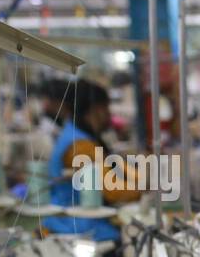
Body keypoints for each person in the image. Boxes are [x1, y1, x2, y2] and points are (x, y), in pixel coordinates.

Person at [45, 79, 143, 241]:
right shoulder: (79, 146)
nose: (109, 115)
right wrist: (145, 187)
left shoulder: (80, 137)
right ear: (96, 110)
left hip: (80, 223)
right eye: (106, 108)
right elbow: (113, 191)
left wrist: (143, 179)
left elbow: (118, 167)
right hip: (75, 228)